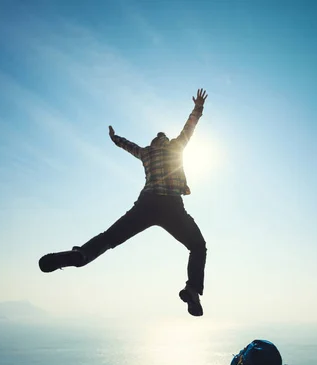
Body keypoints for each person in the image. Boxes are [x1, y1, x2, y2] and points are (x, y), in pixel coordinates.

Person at [38, 88, 209, 317]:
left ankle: (80, 256)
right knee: (197, 246)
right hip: (172, 206)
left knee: (110, 238)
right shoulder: (175, 148)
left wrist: (114, 138)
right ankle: (192, 290)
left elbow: (128, 146)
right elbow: (189, 127)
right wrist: (198, 107)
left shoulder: (146, 153)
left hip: (146, 204)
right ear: (166, 142)